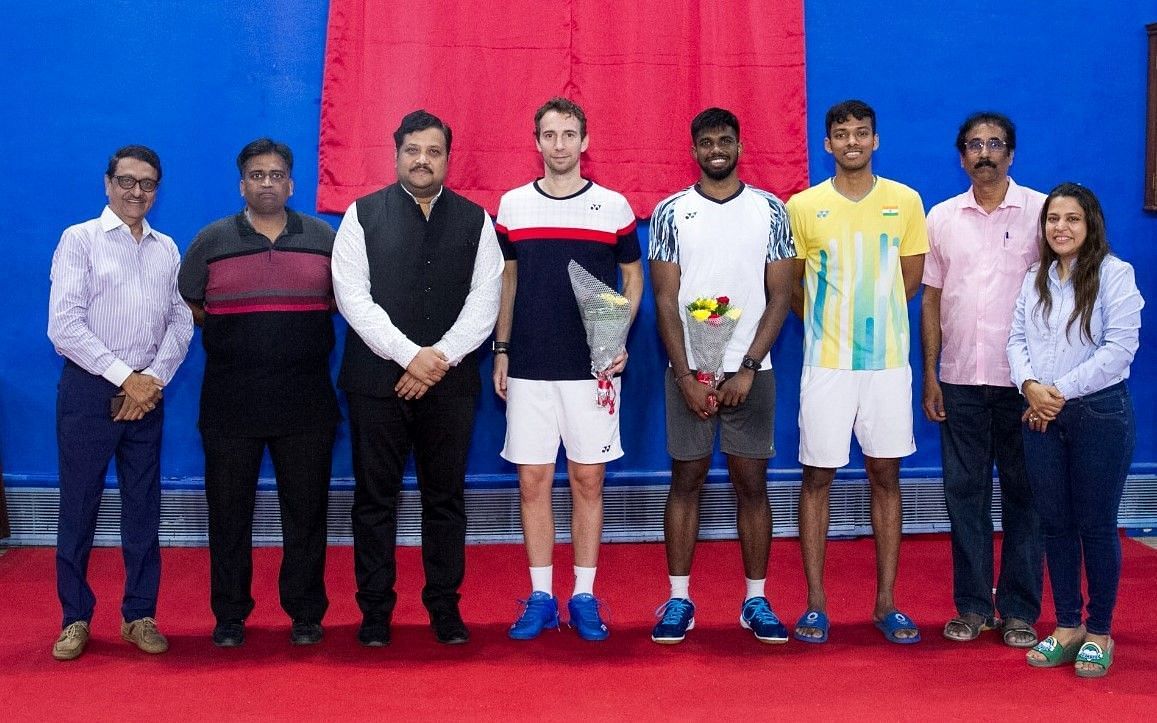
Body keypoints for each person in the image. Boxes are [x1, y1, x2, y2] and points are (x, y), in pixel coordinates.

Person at [332, 110, 503, 647]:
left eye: (433, 151)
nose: (422, 160)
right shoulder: (360, 216)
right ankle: (376, 611)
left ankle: (444, 608)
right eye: (413, 150)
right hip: (375, 384)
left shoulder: (477, 221)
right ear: (397, 152)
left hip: (449, 386)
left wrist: (439, 359)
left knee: (445, 498)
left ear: (448, 158)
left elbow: (486, 300)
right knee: (374, 500)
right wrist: (411, 357)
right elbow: (352, 298)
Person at [179, 138, 339, 648]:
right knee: (228, 515)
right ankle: (230, 615)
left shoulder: (324, 239)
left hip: (306, 401)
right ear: (241, 183)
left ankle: (306, 613)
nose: (266, 182)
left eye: (275, 174)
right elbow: (190, 303)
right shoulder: (210, 241)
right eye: (256, 174)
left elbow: (342, 301)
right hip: (230, 402)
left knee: (307, 514)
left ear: (291, 183)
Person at [493, 98, 643, 642]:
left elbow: (632, 276)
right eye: (549, 135)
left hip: (593, 373)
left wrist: (617, 336)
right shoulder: (511, 207)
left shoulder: (613, 207)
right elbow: (506, 282)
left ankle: (582, 594)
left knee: (587, 479)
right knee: (532, 482)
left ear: (585, 142)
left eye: (569, 134)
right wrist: (502, 349)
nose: (559, 145)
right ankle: (540, 596)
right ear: (536, 143)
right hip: (530, 367)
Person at [648, 107, 795, 644]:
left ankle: (756, 601)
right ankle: (678, 600)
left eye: (725, 140)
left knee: (751, 485)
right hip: (689, 371)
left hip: (752, 372)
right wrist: (687, 376)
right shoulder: (669, 212)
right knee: (685, 481)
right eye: (706, 141)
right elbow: (665, 299)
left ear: (739, 147)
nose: (716, 149)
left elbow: (780, 296)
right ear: (694, 150)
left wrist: (749, 368)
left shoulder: (771, 211)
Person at [787, 100, 927, 645]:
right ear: (827, 144)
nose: (851, 142)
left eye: (861, 133)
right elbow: (792, 288)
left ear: (875, 140)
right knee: (816, 477)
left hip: (888, 365)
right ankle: (816, 605)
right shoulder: (803, 206)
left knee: (885, 476)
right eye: (841, 134)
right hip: (826, 366)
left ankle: (887, 603)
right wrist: (830, 328)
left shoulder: (905, 201)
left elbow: (909, 281)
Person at [47, 145, 193, 660]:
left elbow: (180, 321)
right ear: (107, 183)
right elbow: (64, 326)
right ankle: (75, 618)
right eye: (127, 181)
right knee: (78, 506)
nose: (137, 192)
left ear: (157, 189)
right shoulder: (79, 241)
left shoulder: (167, 248)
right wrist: (123, 377)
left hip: (147, 395)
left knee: (142, 507)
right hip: (90, 391)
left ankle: (139, 614)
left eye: (148, 183)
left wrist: (149, 379)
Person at [922, 112, 1046, 648]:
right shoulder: (942, 217)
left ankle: (1019, 610)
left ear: (1012, 154)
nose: (985, 153)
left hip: (1025, 386)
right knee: (964, 495)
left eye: (995, 144)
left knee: (1026, 496)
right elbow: (931, 298)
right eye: (974, 145)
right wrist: (931, 373)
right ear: (961, 156)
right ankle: (972, 606)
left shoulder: (1043, 212)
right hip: (961, 380)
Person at [1009, 182, 1142, 678]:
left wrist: (1054, 392)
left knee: (1096, 525)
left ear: (1091, 226)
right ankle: (1066, 626)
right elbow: (1017, 338)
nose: (1060, 228)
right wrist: (1028, 385)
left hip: (1098, 416)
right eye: (1052, 219)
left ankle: (1099, 630)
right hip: (1040, 415)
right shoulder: (1035, 277)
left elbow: (1119, 350)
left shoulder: (1115, 275)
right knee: (1055, 525)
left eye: (1072, 219)